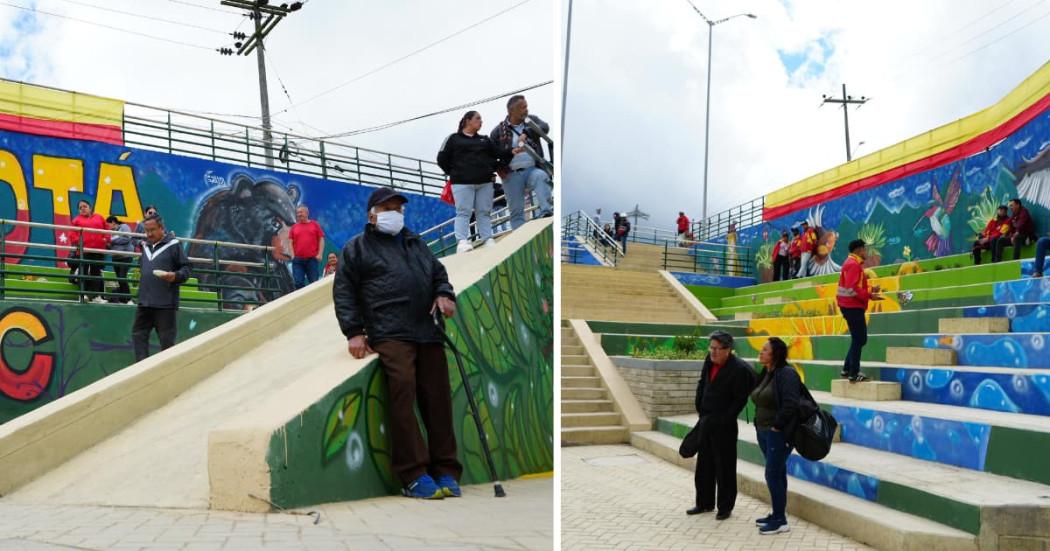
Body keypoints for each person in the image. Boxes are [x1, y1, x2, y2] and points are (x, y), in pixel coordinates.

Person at [332, 187, 462, 500]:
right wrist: (354, 332)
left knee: (438, 398)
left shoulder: (416, 243)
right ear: (372, 214)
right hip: (389, 331)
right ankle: (413, 474)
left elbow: (438, 273)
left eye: (399, 209)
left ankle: (446, 468)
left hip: (427, 329)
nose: (395, 213)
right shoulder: (357, 248)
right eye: (388, 207)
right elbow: (344, 290)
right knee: (402, 392)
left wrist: (444, 294)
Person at [688, 331, 756, 520]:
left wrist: (725, 418)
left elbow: (739, 399)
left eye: (718, 349)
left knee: (724, 467)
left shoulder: (739, 369)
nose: (713, 352)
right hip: (706, 420)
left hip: (724, 425)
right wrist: (699, 405)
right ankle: (704, 503)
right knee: (704, 465)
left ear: (728, 350)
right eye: (711, 347)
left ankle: (725, 507)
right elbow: (702, 383)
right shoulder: (709, 361)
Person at [751, 337, 802, 536]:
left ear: (775, 354)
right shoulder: (767, 372)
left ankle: (781, 521)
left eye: (765, 350)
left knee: (772, 473)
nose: (761, 352)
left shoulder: (786, 374)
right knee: (777, 472)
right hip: (763, 431)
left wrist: (777, 427)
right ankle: (777, 513)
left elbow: (791, 403)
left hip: (778, 434)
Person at [437, 110, 505, 254]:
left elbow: (498, 155)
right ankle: (462, 241)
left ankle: (487, 238)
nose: (481, 121)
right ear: (468, 120)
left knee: (484, 211)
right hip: (462, 183)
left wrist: (511, 152)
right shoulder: (453, 139)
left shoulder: (485, 140)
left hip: (484, 183)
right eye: (478, 118)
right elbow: (441, 159)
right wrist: (455, 172)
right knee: (463, 212)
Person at [132, 215, 191, 362]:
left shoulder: (173, 245)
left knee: (167, 343)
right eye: (147, 231)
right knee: (138, 334)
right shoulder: (145, 247)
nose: (149, 234)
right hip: (145, 302)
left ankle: (168, 374)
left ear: (161, 228)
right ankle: (142, 368)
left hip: (165, 304)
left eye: (152, 230)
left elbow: (186, 269)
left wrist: (175, 276)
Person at [490, 95, 553, 229]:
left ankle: (547, 212)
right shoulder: (497, 131)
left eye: (526, 106)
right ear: (511, 111)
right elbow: (491, 154)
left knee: (542, 177)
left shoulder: (532, 120)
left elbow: (545, 127)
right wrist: (498, 168)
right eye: (523, 107)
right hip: (511, 174)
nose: (526, 110)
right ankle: (519, 233)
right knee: (516, 210)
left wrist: (527, 132)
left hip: (532, 168)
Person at [837, 239, 882, 382]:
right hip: (852, 306)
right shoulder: (853, 265)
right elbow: (851, 288)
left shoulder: (851, 263)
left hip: (850, 305)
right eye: (864, 249)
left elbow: (854, 286)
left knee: (858, 339)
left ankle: (846, 369)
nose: (866, 252)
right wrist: (869, 295)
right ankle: (853, 373)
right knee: (860, 339)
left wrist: (869, 290)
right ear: (858, 250)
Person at [68, 199, 109, 303]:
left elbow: (107, 230)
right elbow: (72, 234)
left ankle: (96, 296)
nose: (83, 209)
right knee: (83, 272)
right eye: (80, 207)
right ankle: (83, 294)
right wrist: (80, 242)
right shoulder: (76, 220)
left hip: (98, 250)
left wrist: (105, 239)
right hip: (84, 251)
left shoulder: (99, 217)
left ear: (90, 208)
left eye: (85, 206)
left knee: (96, 273)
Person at [288, 205, 325, 289]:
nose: (299, 214)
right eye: (298, 213)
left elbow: (321, 239)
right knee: (298, 283)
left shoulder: (315, 224)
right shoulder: (294, 227)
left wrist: (320, 254)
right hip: (298, 260)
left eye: (301, 212)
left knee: (314, 283)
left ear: (307, 213)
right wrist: (292, 255)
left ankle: (315, 300)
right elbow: (290, 242)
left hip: (311, 260)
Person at [106, 215, 134, 304]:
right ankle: (123, 298)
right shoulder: (111, 233)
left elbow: (126, 238)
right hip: (115, 257)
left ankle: (129, 299)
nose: (108, 227)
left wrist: (111, 241)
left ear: (113, 222)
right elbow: (111, 245)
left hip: (125, 256)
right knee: (119, 278)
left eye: (108, 224)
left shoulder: (124, 227)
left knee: (122, 277)